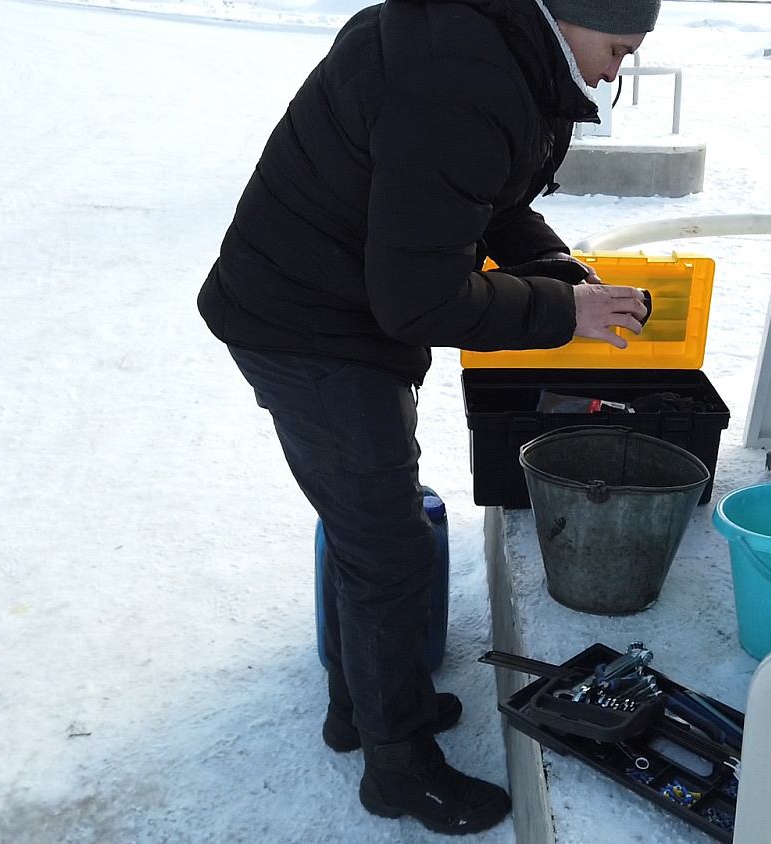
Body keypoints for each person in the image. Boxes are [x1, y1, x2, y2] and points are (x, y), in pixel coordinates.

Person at [197, 0, 660, 834]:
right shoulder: (467, 78)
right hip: (308, 325)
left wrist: (554, 267)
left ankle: (359, 708)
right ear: (573, 16)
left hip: (326, 303)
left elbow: (482, 193)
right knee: (388, 547)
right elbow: (419, 299)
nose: (615, 72)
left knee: (368, 524)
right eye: (620, 48)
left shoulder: (493, 47)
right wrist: (562, 312)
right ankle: (398, 767)